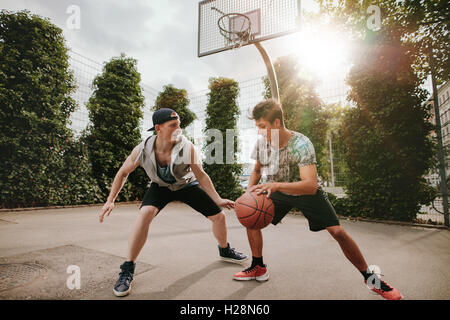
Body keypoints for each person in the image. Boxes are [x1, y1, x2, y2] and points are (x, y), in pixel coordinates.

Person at [233, 99, 402, 300]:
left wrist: (276, 185)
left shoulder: (301, 144)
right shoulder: (262, 144)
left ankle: (371, 280)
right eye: (257, 127)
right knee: (250, 217)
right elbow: (257, 170)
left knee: (337, 231)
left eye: (263, 126)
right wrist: (250, 193)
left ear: (276, 123)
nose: (259, 132)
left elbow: (310, 185)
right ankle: (258, 266)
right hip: (276, 189)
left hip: (302, 191)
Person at [99, 108, 247, 297]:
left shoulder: (187, 148)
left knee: (219, 217)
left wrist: (217, 199)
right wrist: (110, 200)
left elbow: (201, 175)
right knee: (144, 214)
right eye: (173, 126)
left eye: (179, 125)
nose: (179, 129)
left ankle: (225, 250)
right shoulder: (142, 148)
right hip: (160, 187)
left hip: (186, 185)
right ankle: (128, 268)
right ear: (158, 128)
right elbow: (123, 172)